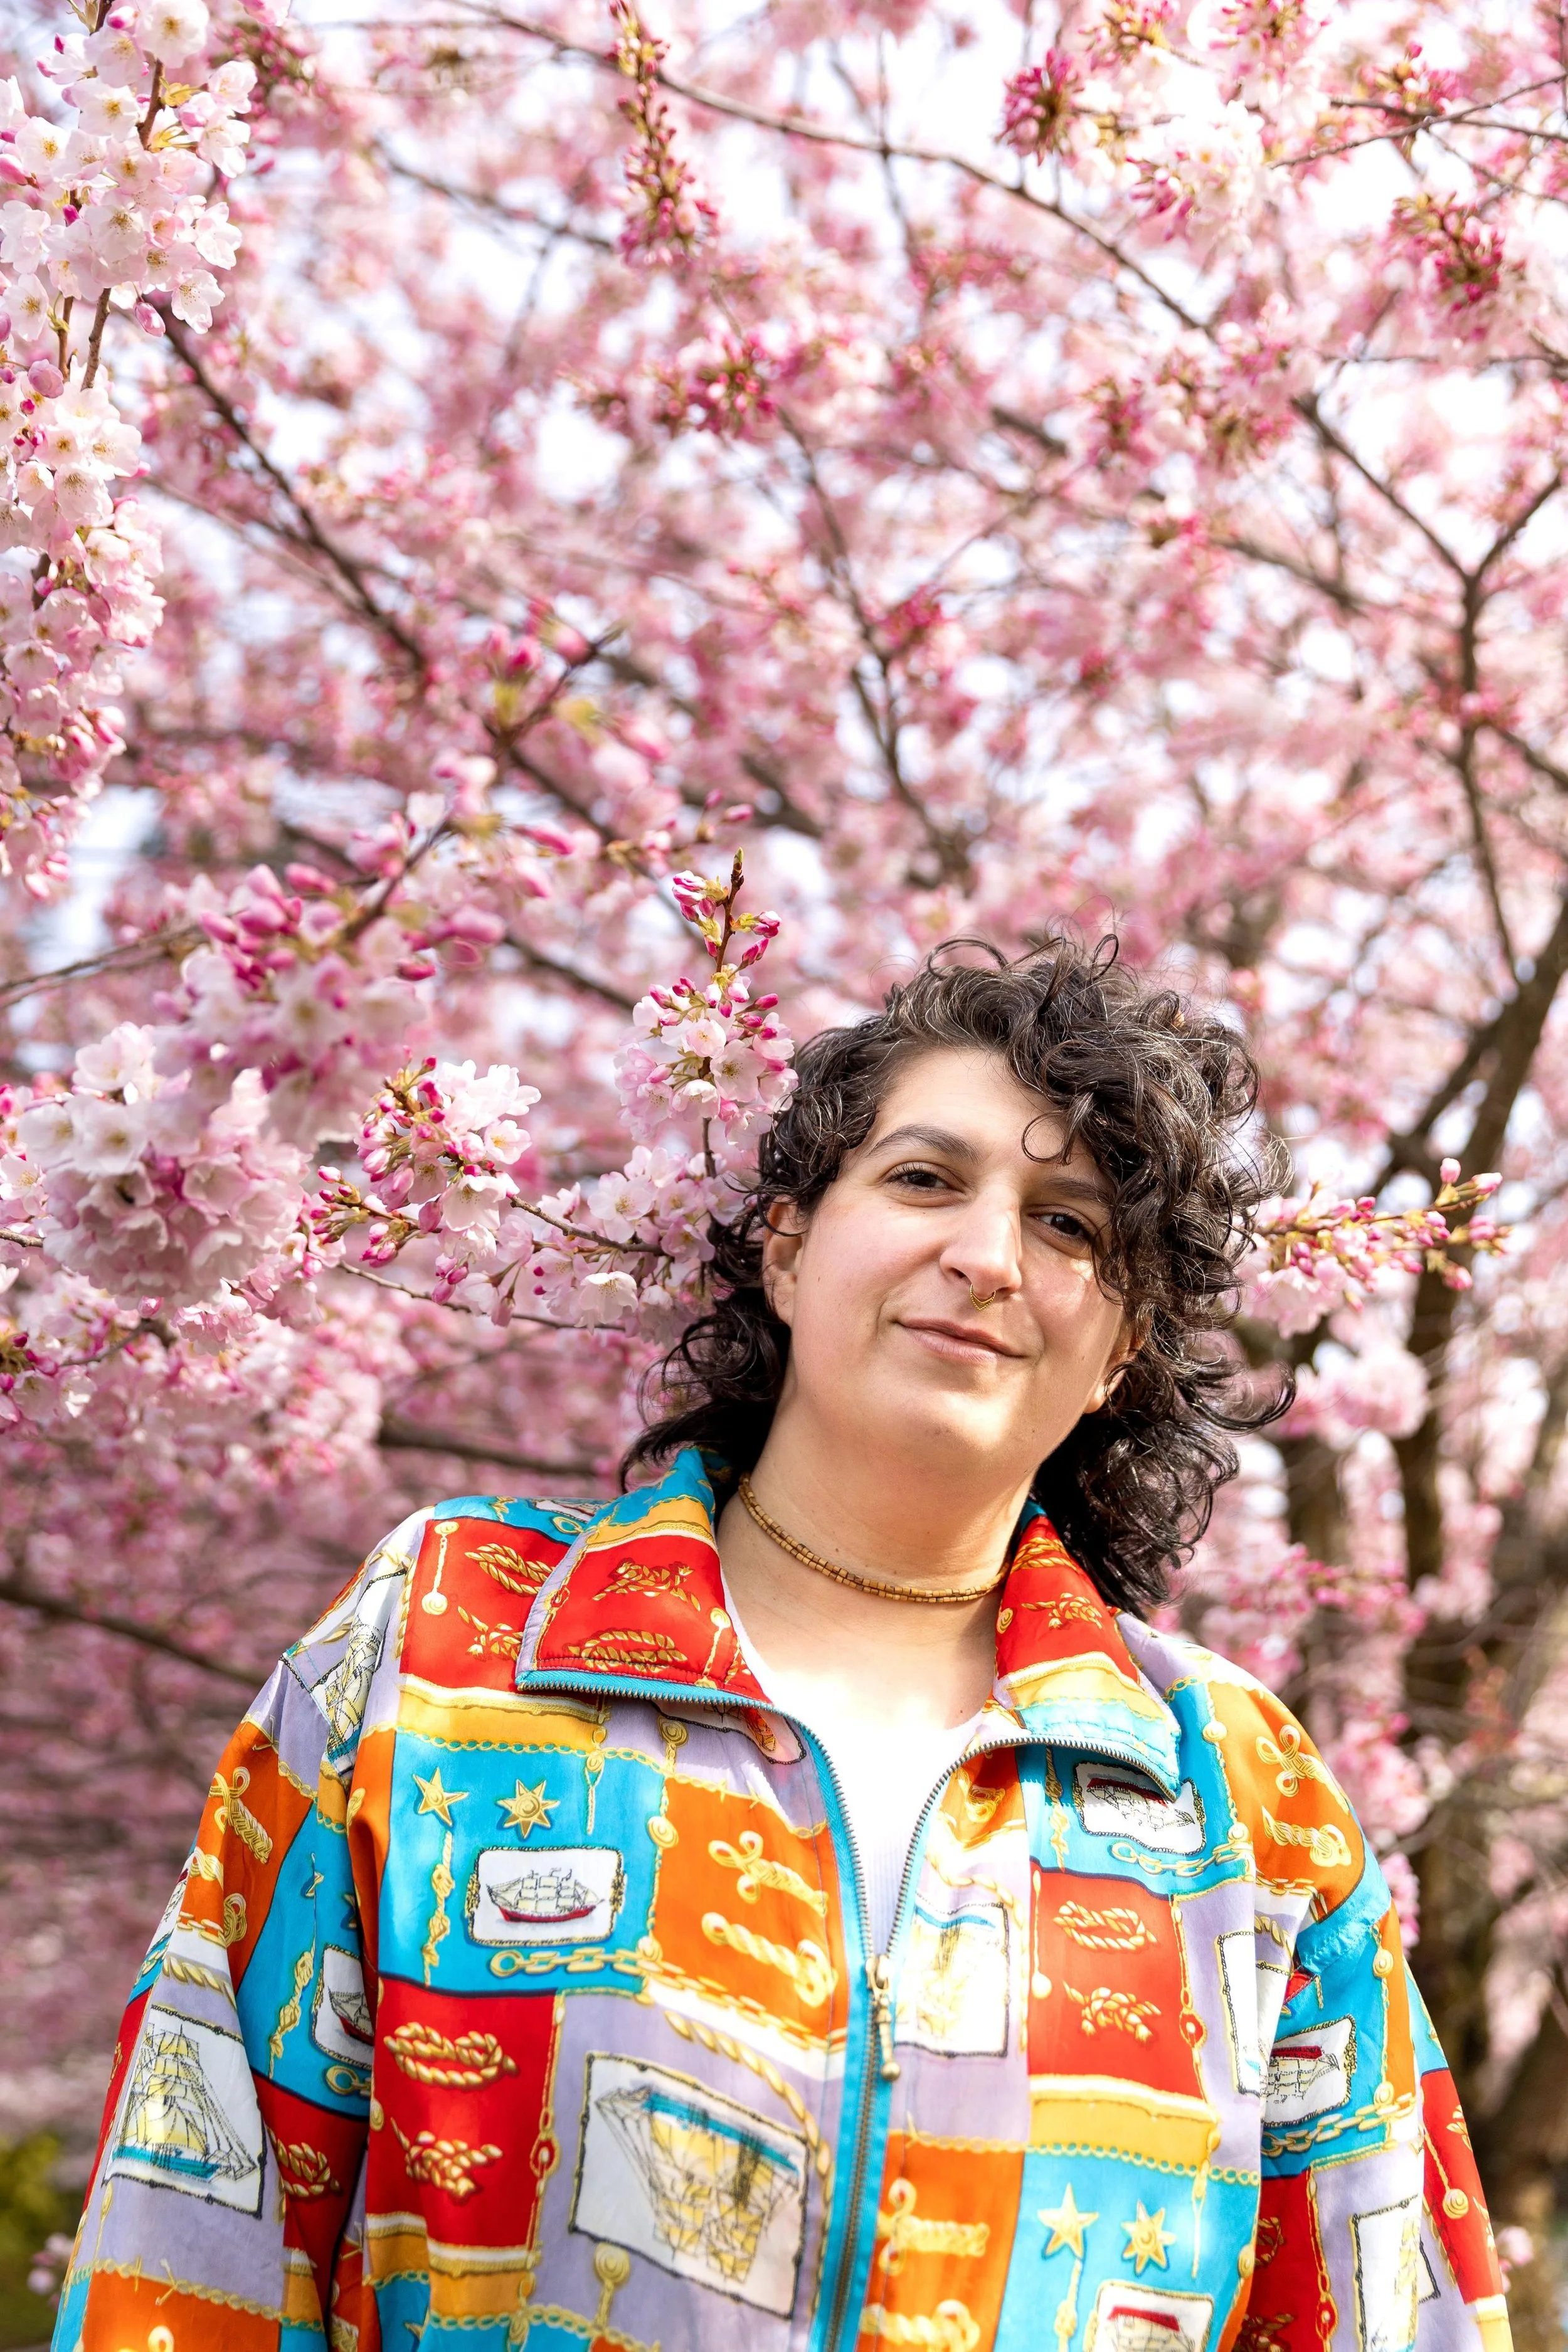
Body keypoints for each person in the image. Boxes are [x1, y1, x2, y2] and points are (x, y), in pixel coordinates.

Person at [55, 940, 1510, 2352]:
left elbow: (1391, 2306)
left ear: (1122, 1344)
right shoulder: (448, 1639)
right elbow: (192, 2236)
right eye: (926, 1179)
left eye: (1068, 1225)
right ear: (789, 1243)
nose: (987, 1255)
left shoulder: (1238, 1799)